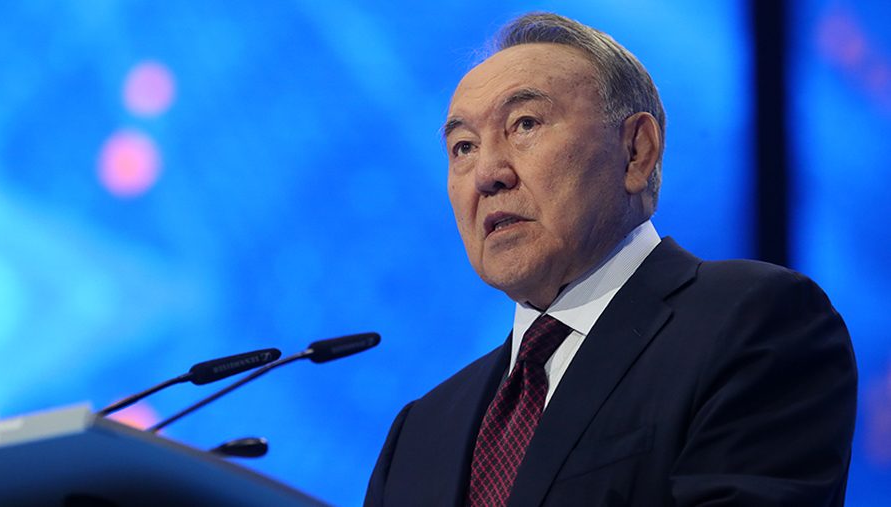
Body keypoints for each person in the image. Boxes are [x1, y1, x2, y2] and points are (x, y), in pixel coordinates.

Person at [365, 12, 857, 507]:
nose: (487, 174)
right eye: (463, 147)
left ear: (636, 152)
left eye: (525, 124)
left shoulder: (754, 322)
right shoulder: (421, 432)